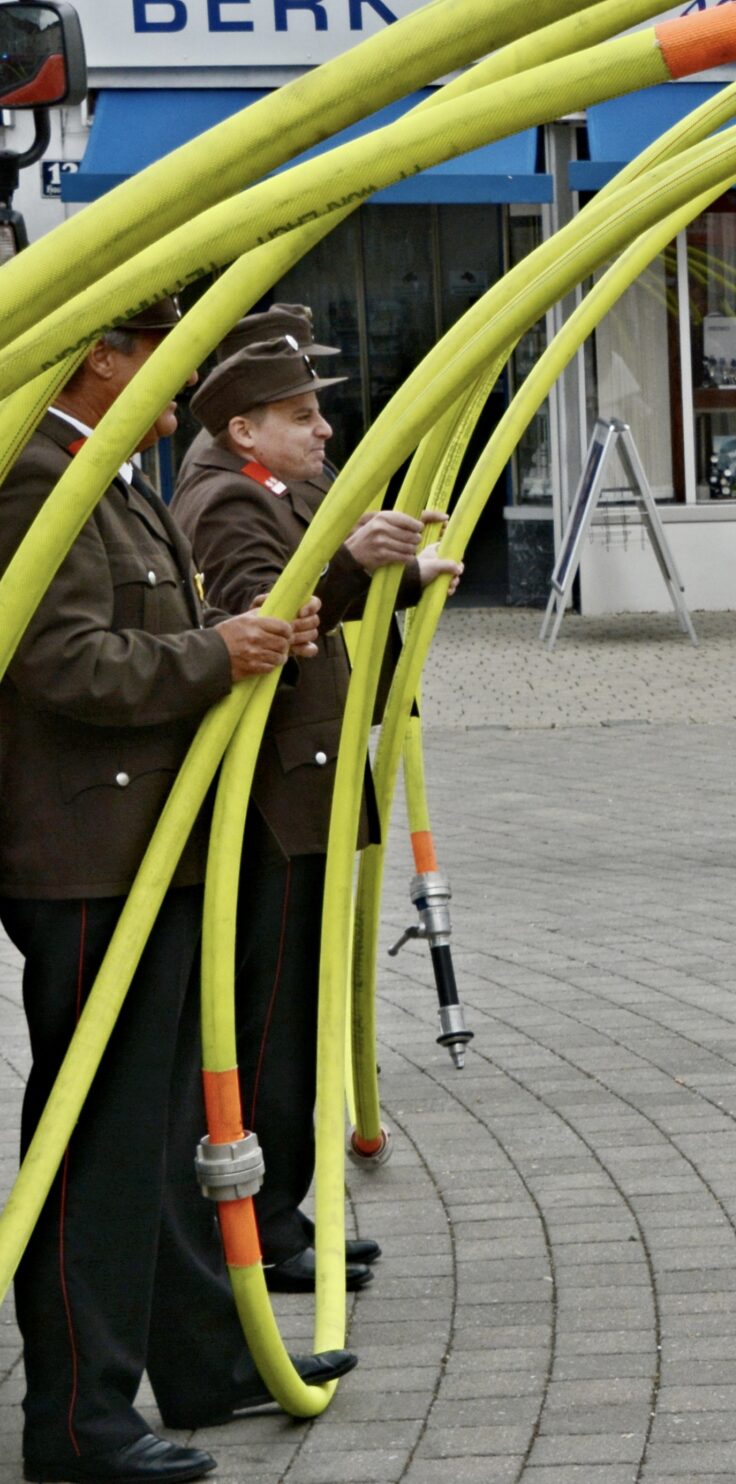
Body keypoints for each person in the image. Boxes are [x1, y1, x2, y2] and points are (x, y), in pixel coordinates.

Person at [0, 297, 352, 1484]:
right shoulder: (38, 477)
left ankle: (196, 1357)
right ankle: (77, 1420)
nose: (184, 381)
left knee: (152, 1133)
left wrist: (242, 630)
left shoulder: (106, 473)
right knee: (98, 1140)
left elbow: (150, 622)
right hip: (87, 853)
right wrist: (218, 652)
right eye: (165, 356)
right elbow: (60, 660)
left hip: (139, 842)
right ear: (101, 353)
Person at [171, 330, 460, 1298]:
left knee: (291, 1012)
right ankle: (267, 1221)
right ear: (244, 424)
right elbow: (267, 621)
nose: (324, 428)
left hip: (299, 787)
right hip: (273, 802)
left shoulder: (264, 484)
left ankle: (285, 1210)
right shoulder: (228, 496)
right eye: (303, 416)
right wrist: (346, 559)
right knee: (270, 1021)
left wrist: (394, 573)